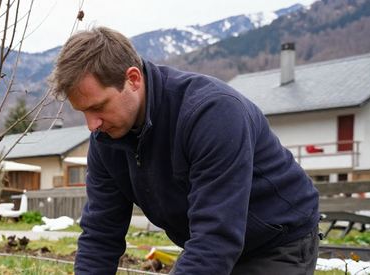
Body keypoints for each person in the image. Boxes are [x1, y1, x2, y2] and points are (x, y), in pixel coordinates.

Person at [47, 26, 321, 274]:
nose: (91, 125)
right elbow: (101, 234)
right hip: (209, 243)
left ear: (132, 79)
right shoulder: (106, 139)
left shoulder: (211, 113)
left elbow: (216, 235)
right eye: (82, 112)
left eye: (97, 107)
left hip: (275, 240)